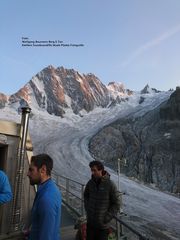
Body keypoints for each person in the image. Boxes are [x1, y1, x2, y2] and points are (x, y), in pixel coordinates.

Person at [27, 154, 61, 240]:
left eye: (31, 170)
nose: (28, 174)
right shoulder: (48, 187)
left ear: (43, 170)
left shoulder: (47, 198)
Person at [84, 160, 120, 240]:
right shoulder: (90, 183)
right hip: (90, 224)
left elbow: (117, 203)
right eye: (91, 170)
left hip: (102, 227)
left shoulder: (110, 185)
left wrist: (106, 218)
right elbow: (86, 195)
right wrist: (88, 208)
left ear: (101, 170)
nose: (92, 172)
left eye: (94, 170)